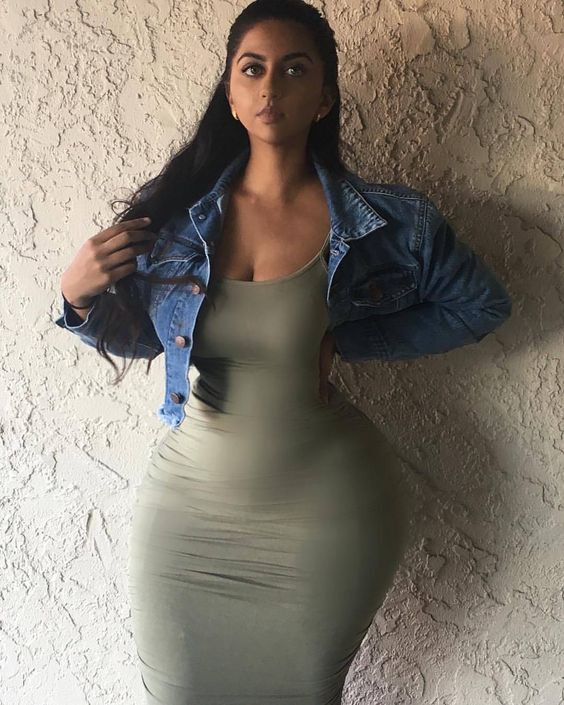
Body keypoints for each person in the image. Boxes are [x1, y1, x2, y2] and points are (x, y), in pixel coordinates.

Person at [54, 1, 512, 703]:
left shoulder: (390, 222)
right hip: (189, 512)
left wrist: (345, 337)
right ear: (231, 94)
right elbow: (143, 337)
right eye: (253, 69)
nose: (271, 86)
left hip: (325, 512)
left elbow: (481, 304)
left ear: (324, 97)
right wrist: (77, 298)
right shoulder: (173, 225)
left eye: (295, 70)